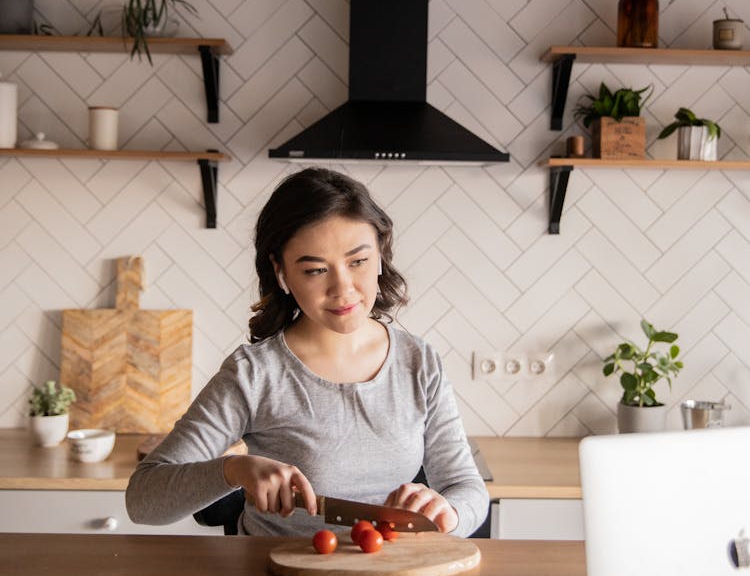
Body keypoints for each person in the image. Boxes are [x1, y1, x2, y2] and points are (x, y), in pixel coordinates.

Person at [126, 167, 489, 538]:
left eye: (358, 261)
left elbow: (468, 489)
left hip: (387, 571)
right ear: (281, 272)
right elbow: (142, 499)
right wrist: (233, 470)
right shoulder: (253, 374)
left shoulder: (418, 361)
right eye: (316, 270)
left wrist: (449, 514)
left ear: (380, 255)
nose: (342, 288)